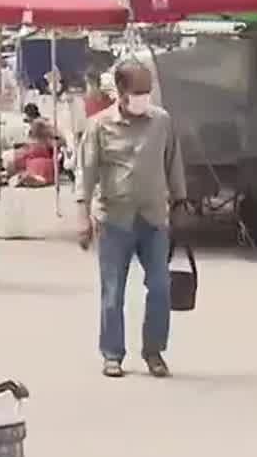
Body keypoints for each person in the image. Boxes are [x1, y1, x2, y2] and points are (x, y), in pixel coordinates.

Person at [77, 59, 186, 378]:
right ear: (121, 92)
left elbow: (173, 162)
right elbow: (87, 173)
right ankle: (112, 354)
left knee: (160, 286)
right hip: (114, 219)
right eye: (137, 91)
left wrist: (180, 204)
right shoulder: (99, 126)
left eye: (147, 91)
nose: (143, 97)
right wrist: (82, 216)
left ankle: (154, 351)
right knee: (113, 292)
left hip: (153, 219)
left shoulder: (162, 122)